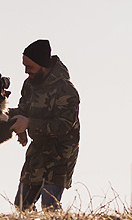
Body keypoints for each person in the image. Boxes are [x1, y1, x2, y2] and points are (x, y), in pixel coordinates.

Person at [8, 39, 80, 210]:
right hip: (37, 151)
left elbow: (64, 125)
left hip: (61, 154)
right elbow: (23, 110)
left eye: (30, 67)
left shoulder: (66, 90)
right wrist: (3, 114)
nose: (26, 71)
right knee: (22, 204)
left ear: (43, 65)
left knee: (49, 205)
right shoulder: (29, 85)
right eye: (24, 66)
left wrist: (29, 124)